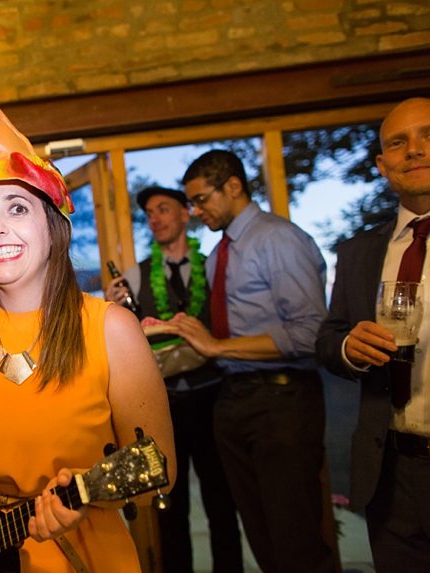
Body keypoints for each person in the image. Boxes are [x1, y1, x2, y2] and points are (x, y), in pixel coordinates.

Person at [0, 88, 176, 573]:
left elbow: (161, 469)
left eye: (18, 208)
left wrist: (83, 499)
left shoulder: (112, 329)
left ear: (54, 226)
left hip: (87, 556)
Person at [169, 149, 333, 573]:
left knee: (294, 539)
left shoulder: (276, 238)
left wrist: (218, 348)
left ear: (234, 187)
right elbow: (221, 332)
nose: (197, 211)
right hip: (235, 398)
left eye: (202, 200)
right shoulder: (220, 253)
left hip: (282, 400)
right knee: (261, 537)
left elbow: (310, 333)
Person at [315, 97, 430, 571]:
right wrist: (349, 347)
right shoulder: (359, 252)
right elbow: (328, 339)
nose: (414, 150)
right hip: (389, 474)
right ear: (382, 164)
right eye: (398, 142)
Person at [105, 185, 242, 573]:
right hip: (164, 404)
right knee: (170, 506)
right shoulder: (134, 276)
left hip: (215, 397)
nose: (155, 218)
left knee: (222, 503)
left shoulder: (215, 267)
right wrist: (114, 310)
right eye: (149, 213)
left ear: (186, 213)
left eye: (163, 209)